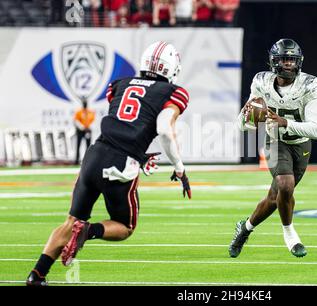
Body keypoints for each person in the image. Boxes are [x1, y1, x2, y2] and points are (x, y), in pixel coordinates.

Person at [26, 41, 192, 286]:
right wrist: (179, 167)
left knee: (70, 221)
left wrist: (140, 152)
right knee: (125, 226)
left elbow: (125, 120)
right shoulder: (173, 92)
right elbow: (164, 130)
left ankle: (36, 275)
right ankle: (88, 231)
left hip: (95, 155)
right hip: (120, 163)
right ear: (172, 69)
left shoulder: (120, 84)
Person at [229, 39, 317, 258]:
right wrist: (250, 116)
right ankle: (290, 235)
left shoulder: (309, 85)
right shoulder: (261, 82)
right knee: (285, 183)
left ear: (298, 62)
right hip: (275, 141)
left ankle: (244, 229)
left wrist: (285, 122)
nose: (288, 64)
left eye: (292, 60)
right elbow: (242, 124)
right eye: (284, 59)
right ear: (274, 62)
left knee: (275, 197)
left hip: (300, 145)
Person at [73, 98, 95, 165]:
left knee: (88, 146)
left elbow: (93, 121)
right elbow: (76, 121)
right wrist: (82, 127)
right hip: (80, 131)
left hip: (88, 131)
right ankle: (77, 160)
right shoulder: (79, 112)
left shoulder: (90, 112)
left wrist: (89, 127)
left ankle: (87, 160)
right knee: (78, 145)